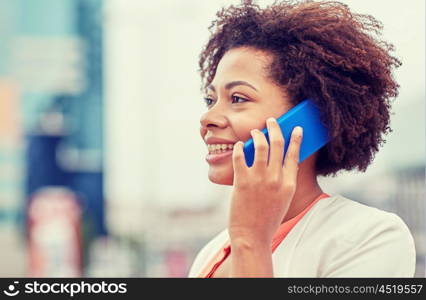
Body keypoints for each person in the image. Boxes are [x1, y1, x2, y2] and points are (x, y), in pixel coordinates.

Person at [188, 0, 416, 277]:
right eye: (210, 99)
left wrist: (252, 242)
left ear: (309, 120)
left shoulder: (370, 238)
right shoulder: (213, 251)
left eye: (238, 98)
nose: (207, 117)